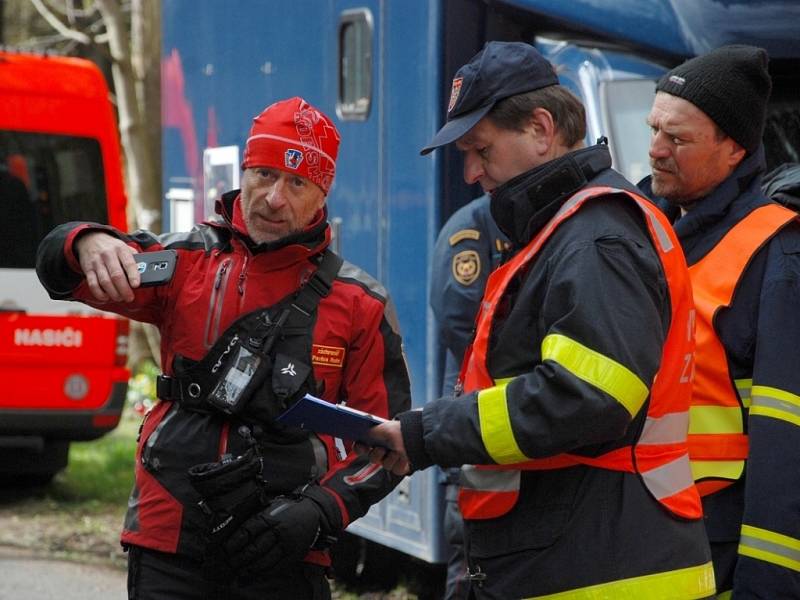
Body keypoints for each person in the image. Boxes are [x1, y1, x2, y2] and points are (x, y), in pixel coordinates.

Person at [359, 41, 715, 599]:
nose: (473, 172)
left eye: (481, 149)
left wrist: (431, 431)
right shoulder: (568, 228)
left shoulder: (594, 235)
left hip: (601, 567)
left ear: (542, 129)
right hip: (579, 556)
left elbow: (586, 399)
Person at [36, 96, 411, 600]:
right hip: (167, 539)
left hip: (283, 549)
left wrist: (320, 510)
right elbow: (63, 274)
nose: (273, 198)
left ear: (323, 194)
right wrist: (82, 240)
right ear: (244, 171)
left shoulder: (360, 303)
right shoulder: (186, 261)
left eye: (296, 183)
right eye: (263, 175)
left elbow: (388, 442)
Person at [639, 45, 800, 598]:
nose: (655, 150)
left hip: (719, 552)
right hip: (641, 537)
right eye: (653, 129)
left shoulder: (774, 253)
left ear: (734, 150)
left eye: (677, 138)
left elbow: (786, 438)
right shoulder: (637, 230)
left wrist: (768, 583)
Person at [430, 194, 508, 600]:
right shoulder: (472, 231)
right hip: (473, 424)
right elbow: (462, 325)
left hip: (512, 427)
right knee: (469, 570)